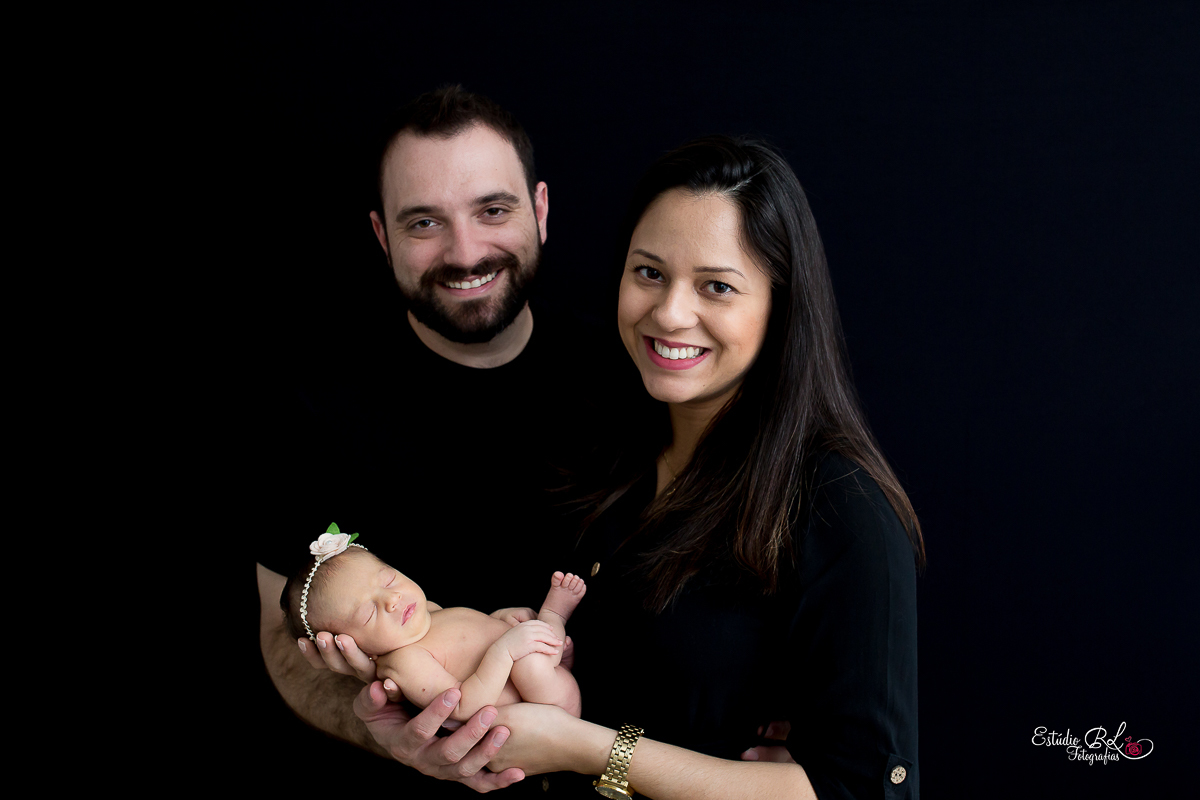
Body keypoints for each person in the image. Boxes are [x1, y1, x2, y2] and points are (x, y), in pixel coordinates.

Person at [357, 135, 922, 798]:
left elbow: (864, 791)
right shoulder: (605, 450)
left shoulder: (841, 509)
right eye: (649, 273)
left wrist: (586, 749)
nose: (670, 313)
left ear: (780, 305)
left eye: (717, 286)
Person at [254, 85, 609, 795]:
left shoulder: (622, 379)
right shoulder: (313, 411)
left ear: (539, 210)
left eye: (493, 210)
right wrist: (399, 737)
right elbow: (280, 643)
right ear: (383, 238)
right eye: (424, 223)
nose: (466, 250)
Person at [282, 527, 586, 720]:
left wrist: (499, 621)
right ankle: (554, 619)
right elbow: (460, 707)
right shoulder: (404, 660)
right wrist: (504, 650)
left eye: (388, 578)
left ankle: (554, 648)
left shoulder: (424, 613)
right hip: (542, 711)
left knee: (523, 631)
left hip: (536, 681)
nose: (392, 599)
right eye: (367, 614)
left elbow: (467, 641)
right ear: (350, 648)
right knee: (530, 663)